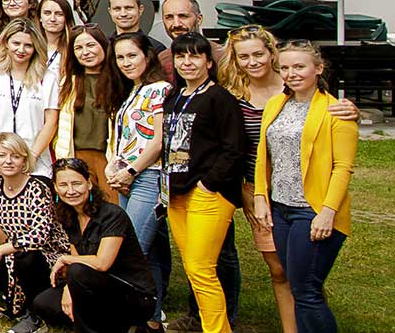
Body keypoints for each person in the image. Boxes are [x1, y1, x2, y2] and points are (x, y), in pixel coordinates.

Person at [251, 40, 356, 333]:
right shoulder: (277, 104)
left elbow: (342, 168)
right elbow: (263, 154)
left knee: (306, 290)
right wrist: (260, 196)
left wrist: (327, 212)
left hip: (313, 209)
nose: (291, 74)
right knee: (298, 287)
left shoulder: (336, 111)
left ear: (318, 68)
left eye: (299, 67)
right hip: (281, 208)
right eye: (285, 68)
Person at [163, 33, 248, 333]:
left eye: (195, 56)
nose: (187, 62)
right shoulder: (175, 97)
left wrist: (209, 184)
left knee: (202, 269)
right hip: (176, 194)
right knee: (192, 267)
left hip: (207, 194)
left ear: (209, 62)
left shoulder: (219, 98)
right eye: (181, 56)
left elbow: (234, 148)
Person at [34, 159, 159, 333]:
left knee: (77, 271)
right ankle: (111, 326)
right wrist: (69, 288)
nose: (70, 191)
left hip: (133, 294)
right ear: (55, 188)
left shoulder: (112, 214)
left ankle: (102, 326)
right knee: (44, 302)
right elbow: (77, 259)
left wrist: (64, 259)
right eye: (63, 185)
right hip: (96, 288)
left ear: (89, 184)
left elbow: (102, 263)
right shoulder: (68, 215)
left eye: (76, 183)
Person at [0, 133, 73, 333]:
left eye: (15, 156)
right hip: (14, 253)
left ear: (24, 160)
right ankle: (16, 301)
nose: (8, 161)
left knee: (25, 258)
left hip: (48, 255)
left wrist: (0, 250)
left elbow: (40, 235)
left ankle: (35, 316)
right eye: (2, 155)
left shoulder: (37, 188)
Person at [106, 32, 175, 330]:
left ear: (147, 56)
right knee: (151, 252)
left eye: (132, 55)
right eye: (120, 57)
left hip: (149, 176)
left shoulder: (160, 89)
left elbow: (158, 141)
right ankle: (152, 317)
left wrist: (131, 171)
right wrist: (114, 167)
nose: (126, 62)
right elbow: (127, 137)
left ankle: (133, 316)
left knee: (132, 250)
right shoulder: (132, 90)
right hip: (126, 178)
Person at [0, 21, 59, 177]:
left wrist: (32, 157)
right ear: (6, 43)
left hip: (35, 162)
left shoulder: (47, 78)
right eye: (16, 43)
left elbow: (51, 122)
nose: (21, 50)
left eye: (28, 45)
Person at [53, 15, 111, 182]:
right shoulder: (67, 83)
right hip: (76, 157)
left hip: (108, 157)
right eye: (78, 48)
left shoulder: (118, 82)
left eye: (91, 45)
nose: (85, 52)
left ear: (103, 45)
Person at [40, 0, 78, 72]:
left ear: (66, 18)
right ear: (40, 17)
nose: (52, 19)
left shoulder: (74, 46)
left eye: (59, 14)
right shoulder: (31, 44)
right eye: (47, 13)